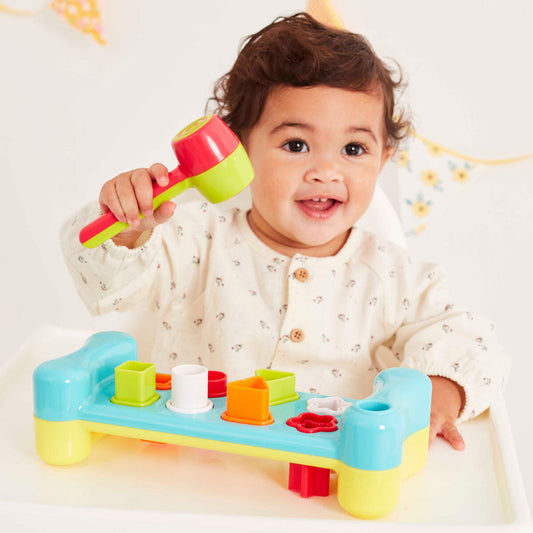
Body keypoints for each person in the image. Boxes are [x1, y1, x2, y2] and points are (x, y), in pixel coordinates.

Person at [61, 12, 509, 451]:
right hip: (192, 467)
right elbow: (105, 283)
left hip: (328, 481)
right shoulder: (194, 239)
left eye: (354, 148)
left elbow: (470, 341)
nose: (326, 170)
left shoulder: (394, 276)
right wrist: (128, 226)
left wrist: (436, 397)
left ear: (383, 160)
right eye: (296, 145)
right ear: (239, 150)